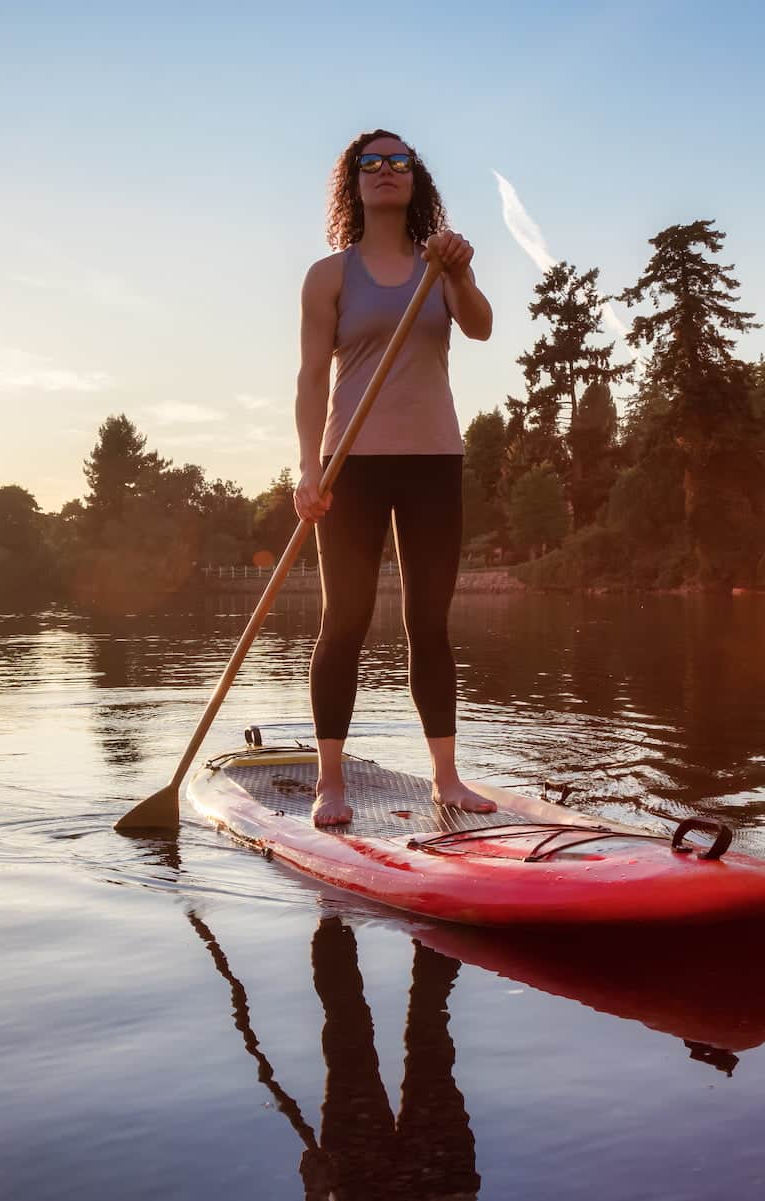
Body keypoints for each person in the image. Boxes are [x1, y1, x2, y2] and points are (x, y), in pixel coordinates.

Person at [293, 128, 496, 828]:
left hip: (435, 461)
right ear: (353, 182)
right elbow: (311, 378)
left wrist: (461, 275)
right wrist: (307, 468)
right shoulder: (328, 277)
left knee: (427, 624)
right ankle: (330, 782)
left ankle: (447, 778)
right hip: (351, 465)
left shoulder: (439, 265)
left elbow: (482, 329)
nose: (385, 170)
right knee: (343, 621)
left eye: (398, 162)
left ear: (415, 179)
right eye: (370, 163)